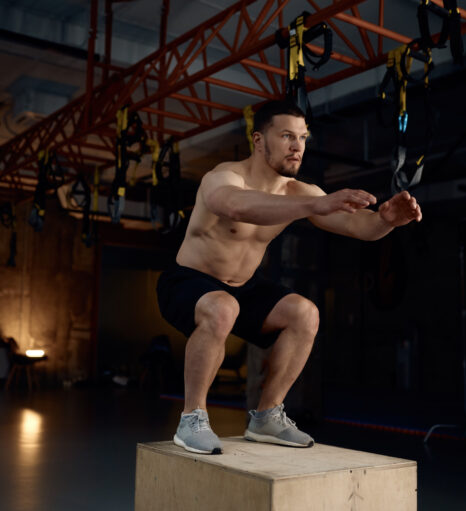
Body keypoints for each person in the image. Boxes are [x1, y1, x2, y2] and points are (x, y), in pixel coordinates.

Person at [156, 100, 422, 454]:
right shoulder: (223, 177)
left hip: (242, 288)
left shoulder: (298, 193)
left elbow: (360, 226)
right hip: (188, 280)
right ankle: (191, 418)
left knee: (305, 313)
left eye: (303, 137)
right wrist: (314, 205)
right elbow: (236, 205)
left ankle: (266, 416)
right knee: (222, 308)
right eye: (286, 136)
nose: (298, 146)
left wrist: (386, 221)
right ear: (258, 140)